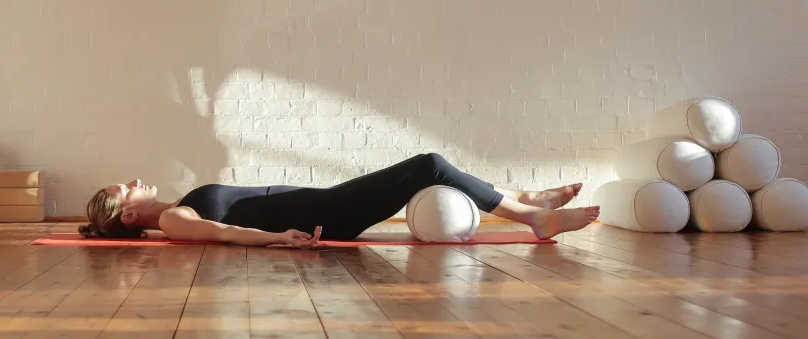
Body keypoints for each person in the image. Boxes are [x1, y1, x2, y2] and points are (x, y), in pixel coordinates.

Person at [78, 152, 600, 247]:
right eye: (123, 187)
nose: (133, 178)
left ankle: (522, 199)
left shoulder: (180, 203)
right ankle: (534, 217)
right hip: (322, 217)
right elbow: (223, 234)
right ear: (126, 213)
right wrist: (279, 238)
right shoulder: (174, 218)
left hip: (324, 203)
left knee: (427, 175)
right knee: (429, 166)